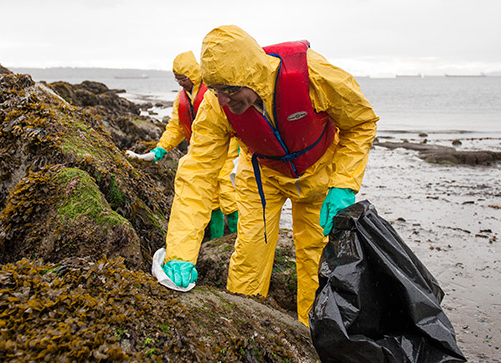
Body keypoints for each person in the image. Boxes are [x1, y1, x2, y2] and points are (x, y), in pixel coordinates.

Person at [162, 25, 379, 326]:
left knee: (315, 257)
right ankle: (242, 323)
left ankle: (312, 331)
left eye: (230, 90)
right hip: (261, 175)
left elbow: (361, 123)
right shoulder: (216, 106)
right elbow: (198, 173)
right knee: (250, 250)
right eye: (216, 90)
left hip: (318, 171)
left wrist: (343, 184)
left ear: (250, 73)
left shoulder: (313, 74)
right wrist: (180, 251)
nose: (224, 100)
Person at [149, 51, 239, 240]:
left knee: (228, 190)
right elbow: (176, 127)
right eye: (177, 80)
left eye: (183, 78)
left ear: (192, 73)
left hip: (226, 146)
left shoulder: (213, 91)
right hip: (200, 149)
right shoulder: (181, 99)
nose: (181, 83)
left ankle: (236, 238)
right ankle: (216, 241)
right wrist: (161, 148)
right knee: (211, 197)